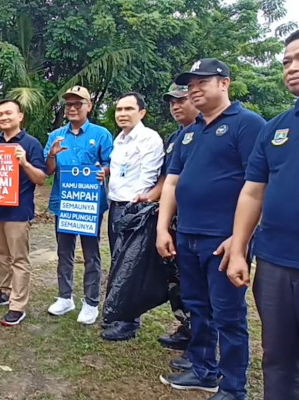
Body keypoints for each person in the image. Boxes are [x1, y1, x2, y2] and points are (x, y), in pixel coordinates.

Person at [157, 59, 266, 400]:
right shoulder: (189, 133)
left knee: (228, 315)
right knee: (197, 307)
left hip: (224, 240)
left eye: (202, 81)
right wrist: (163, 228)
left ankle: (233, 387)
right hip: (188, 235)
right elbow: (171, 182)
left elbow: (259, 186)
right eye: (191, 84)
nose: (194, 89)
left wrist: (240, 239)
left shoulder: (248, 124)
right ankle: (203, 370)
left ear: (225, 83)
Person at [226, 30, 299, 400]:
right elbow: (253, 192)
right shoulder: (276, 128)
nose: (291, 68)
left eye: (298, 59)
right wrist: (239, 249)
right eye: (286, 62)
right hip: (274, 263)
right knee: (278, 359)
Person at [0, 99, 47, 326]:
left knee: (19, 259)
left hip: (18, 213)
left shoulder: (31, 144)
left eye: (8, 113)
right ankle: (4, 291)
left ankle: (18, 305)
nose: (3, 117)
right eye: (0, 114)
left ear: (20, 116)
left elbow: (41, 179)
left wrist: (24, 162)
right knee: (1, 255)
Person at [43, 86, 113, 325]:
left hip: (88, 204)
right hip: (63, 202)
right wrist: (52, 154)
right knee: (64, 252)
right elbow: (48, 170)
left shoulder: (101, 134)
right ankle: (65, 297)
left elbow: (110, 163)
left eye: (78, 104)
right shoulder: (56, 135)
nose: (72, 108)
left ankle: (91, 302)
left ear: (89, 106)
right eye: (69, 104)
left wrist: (104, 172)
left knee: (91, 254)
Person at [138, 84, 198, 359]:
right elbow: (167, 178)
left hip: (200, 221)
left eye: (181, 100)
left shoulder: (207, 132)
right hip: (174, 220)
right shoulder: (176, 138)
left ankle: (202, 341)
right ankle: (186, 326)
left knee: (200, 285)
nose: (175, 106)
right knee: (177, 277)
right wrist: (151, 196)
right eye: (171, 102)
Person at [101, 92, 164, 341]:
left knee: (132, 266)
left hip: (136, 210)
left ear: (142, 113)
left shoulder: (149, 139)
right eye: (119, 109)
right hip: (116, 206)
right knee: (118, 261)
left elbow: (149, 178)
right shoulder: (119, 140)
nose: (122, 114)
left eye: (128, 109)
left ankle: (129, 322)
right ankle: (118, 313)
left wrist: (139, 206)